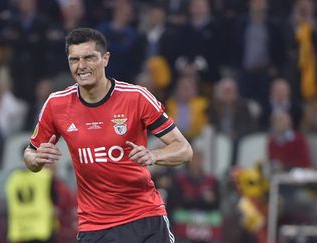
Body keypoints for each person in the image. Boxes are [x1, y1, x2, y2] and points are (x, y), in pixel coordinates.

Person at [23, 28, 193, 243]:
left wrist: (153, 155)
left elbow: (184, 149)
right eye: (74, 59)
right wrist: (35, 160)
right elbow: (30, 153)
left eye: (89, 58)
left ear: (105, 59)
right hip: (96, 227)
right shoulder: (57, 105)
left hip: (145, 218)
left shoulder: (136, 98)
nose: (81, 66)